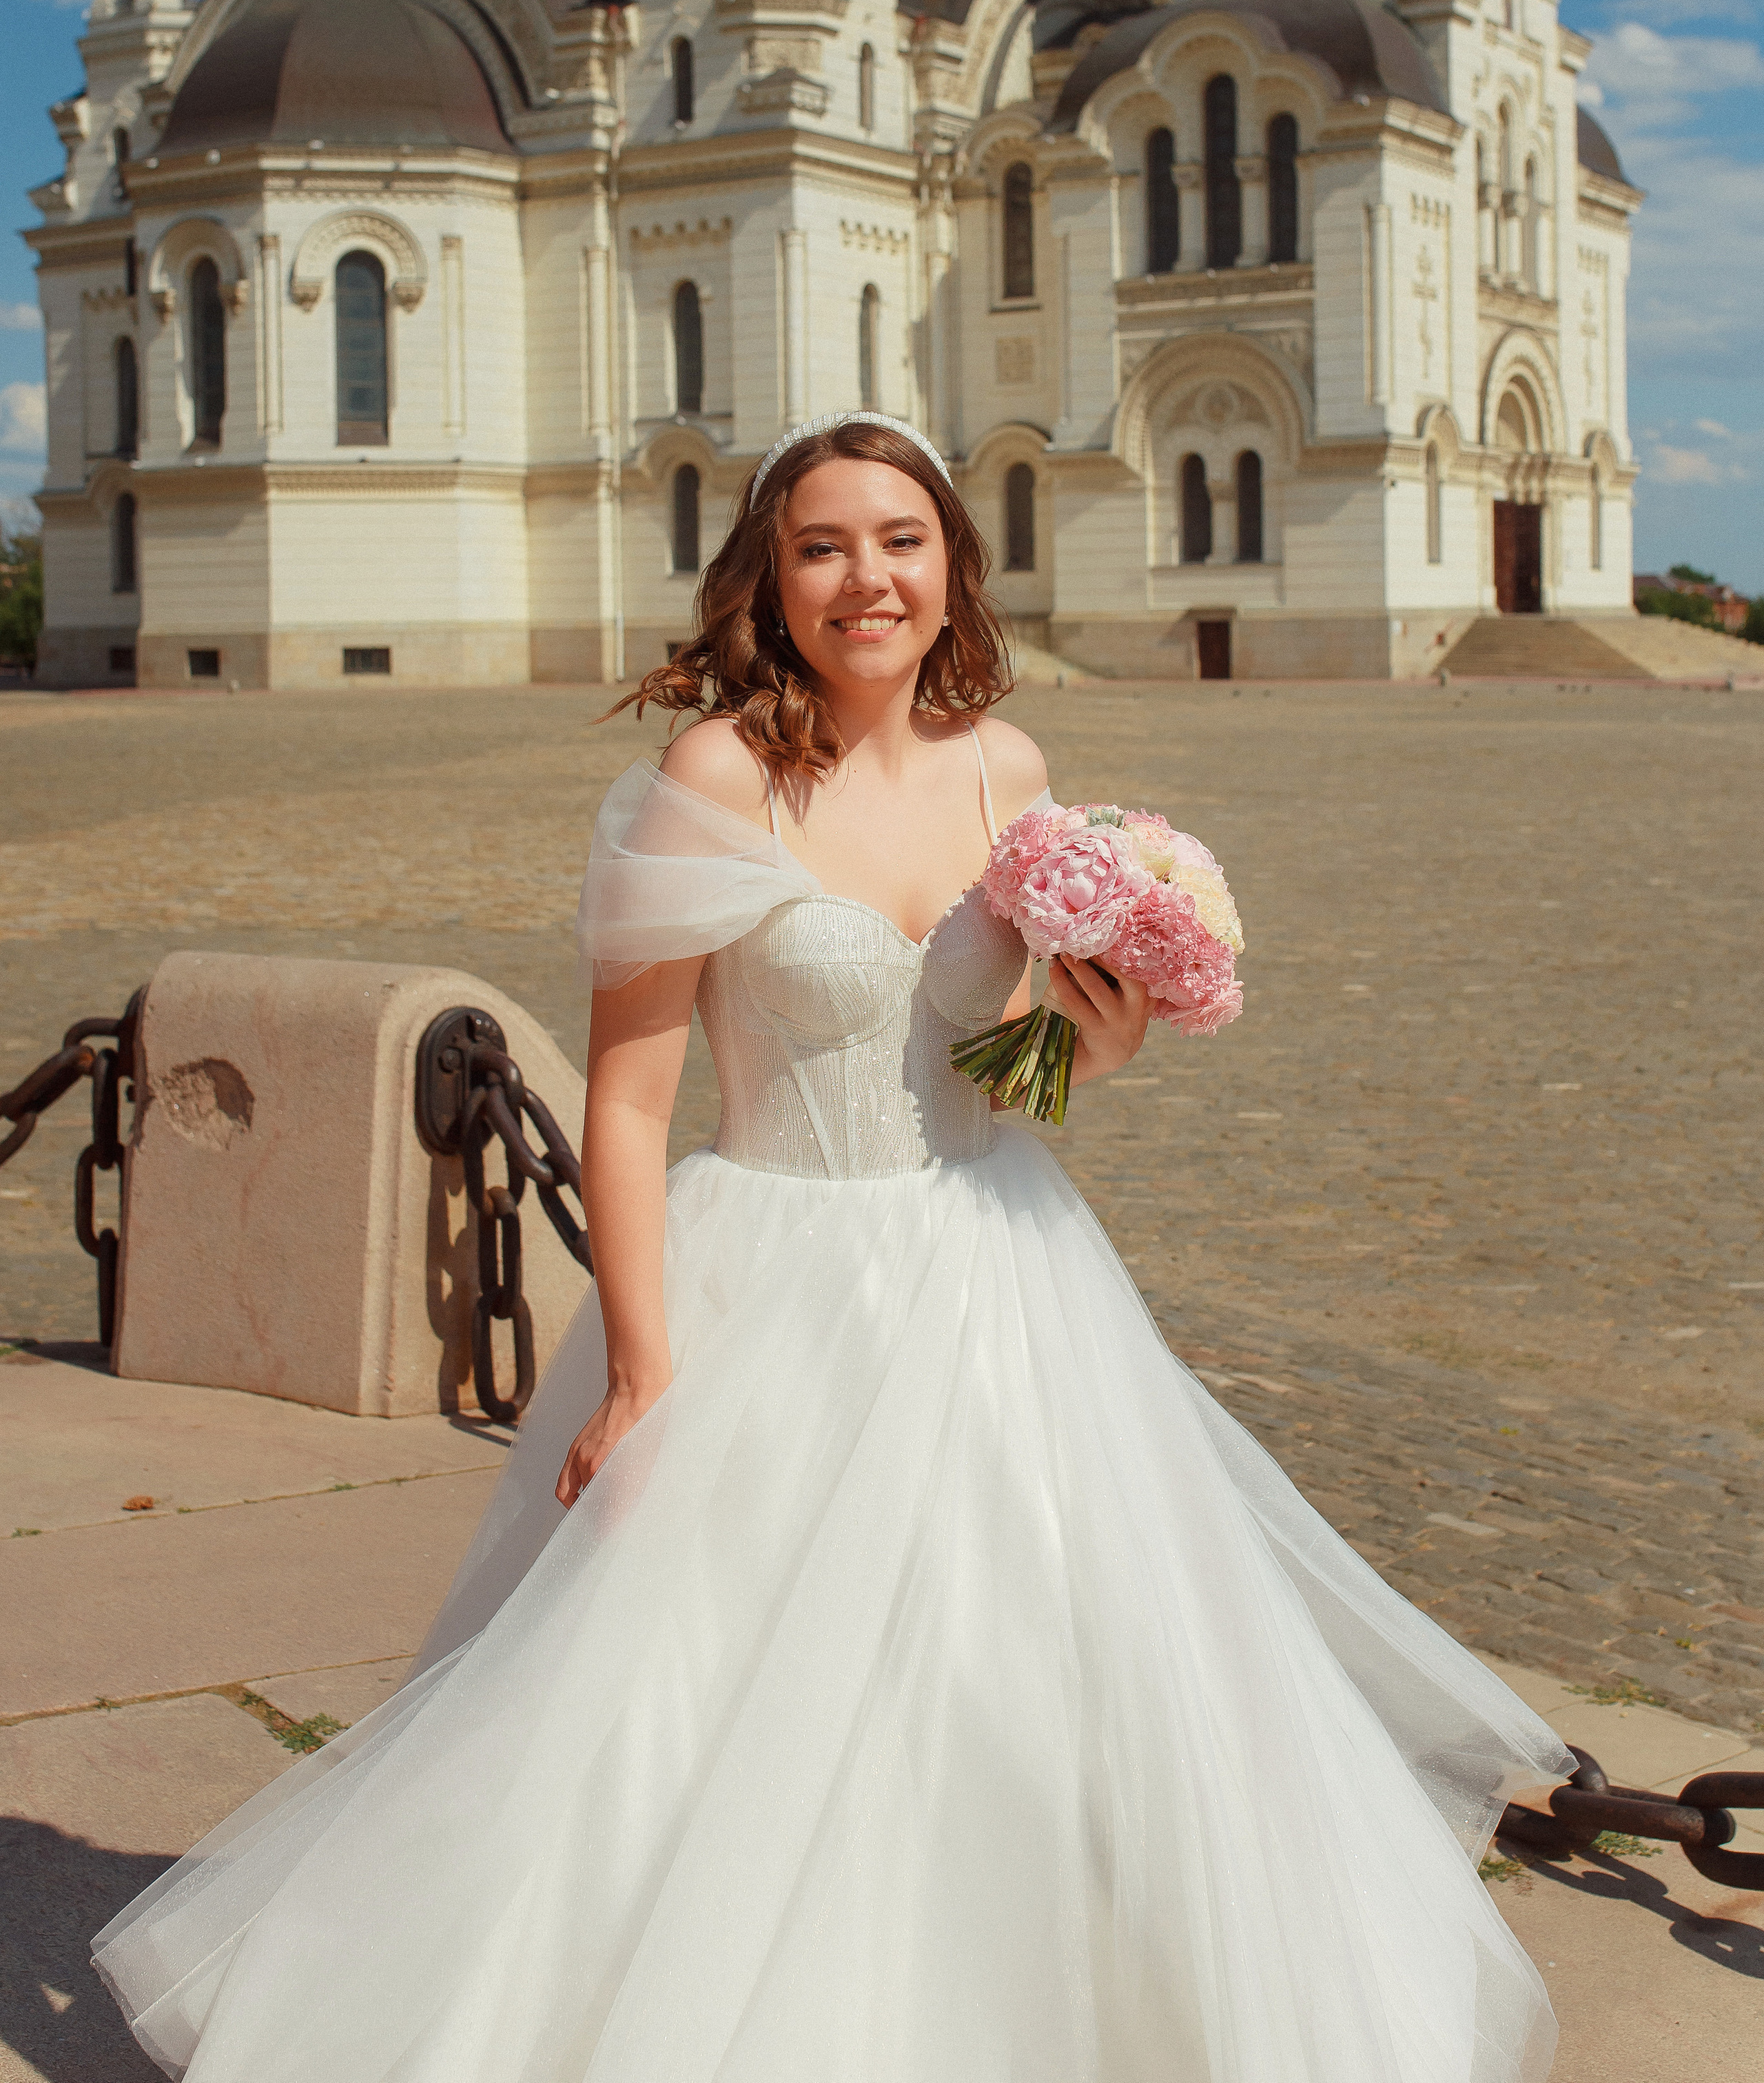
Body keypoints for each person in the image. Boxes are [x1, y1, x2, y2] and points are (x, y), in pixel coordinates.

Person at [94, 413, 1570, 2082]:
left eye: (898, 540)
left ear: (950, 565)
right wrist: (644, 1365)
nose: (864, 578)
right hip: (776, 1276)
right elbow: (633, 1111)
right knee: (701, 1714)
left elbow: (999, 1075)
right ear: (769, 580)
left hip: (1001, 1268)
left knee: (1031, 1684)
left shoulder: (1009, 772)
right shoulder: (716, 778)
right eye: (821, 546)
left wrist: (1106, 1044)